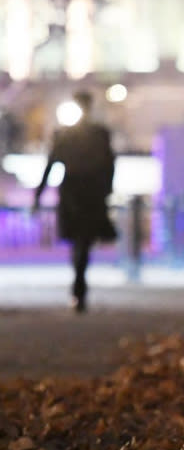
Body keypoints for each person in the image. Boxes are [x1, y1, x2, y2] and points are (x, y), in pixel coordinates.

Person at [33, 90, 117, 312]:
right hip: (85, 192)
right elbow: (109, 164)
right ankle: (79, 284)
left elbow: (50, 165)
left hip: (76, 192)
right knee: (82, 241)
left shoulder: (72, 135)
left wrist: (38, 196)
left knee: (81, 240)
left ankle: (78, 285)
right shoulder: (94, 134)